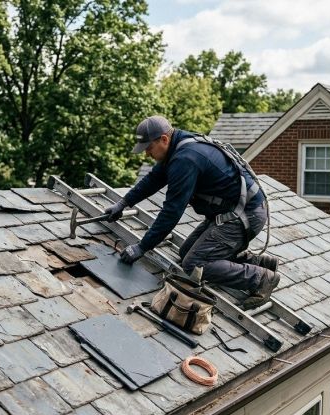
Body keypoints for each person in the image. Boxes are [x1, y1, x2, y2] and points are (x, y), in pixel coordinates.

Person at [105, 115, 279, 309]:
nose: (147, 154)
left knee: (194, 264)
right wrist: (123, 203)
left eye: (148, 148)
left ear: (163, 139)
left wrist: (142, 247)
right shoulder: (178, 146)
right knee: (186, 252)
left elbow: (172, 211)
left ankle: (261, 279)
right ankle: (259, 262)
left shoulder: (186, 159)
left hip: (243, 216)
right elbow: (153, 179)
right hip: (234, 211)